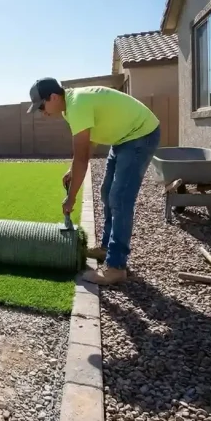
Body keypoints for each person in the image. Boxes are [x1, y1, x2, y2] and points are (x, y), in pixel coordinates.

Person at [27, 78, 161, 285]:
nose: (42, 112)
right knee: (107, 192)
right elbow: (88, 143)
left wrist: (70, 199)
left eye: (41, 106)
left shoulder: (77, 105)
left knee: (120, 198)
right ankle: (107, 248)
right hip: (122, 139)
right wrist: (73, 170)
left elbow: (81, 158)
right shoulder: (69, 107)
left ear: (53, 97)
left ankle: (116, 267)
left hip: (140, 135)